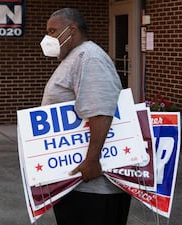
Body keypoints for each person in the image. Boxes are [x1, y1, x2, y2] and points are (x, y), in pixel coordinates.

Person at [40, 8, 131, 225]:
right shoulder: (75, 57)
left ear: (71, 30)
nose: (47, 38)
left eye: (53, 31)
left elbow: (100, 111)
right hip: (75, 181)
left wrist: (92, 161)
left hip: (93, 187)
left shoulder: (89, 57)